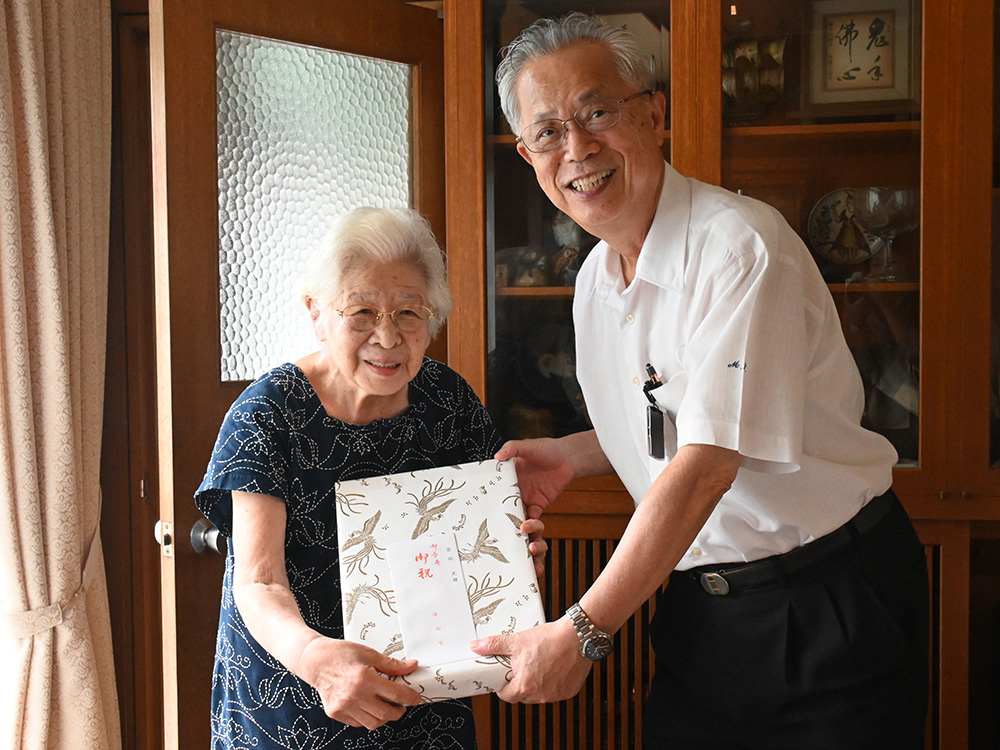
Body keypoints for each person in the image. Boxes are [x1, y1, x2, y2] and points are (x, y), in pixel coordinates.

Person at [469, 13, 929, 749]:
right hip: (697, 605)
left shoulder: (741, 248)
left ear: (653, 114)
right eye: (549, 131)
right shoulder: (592, 280)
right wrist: (576, 453)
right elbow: (675, 414)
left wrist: (582, 631)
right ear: (526, 155)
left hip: (827, 599)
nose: (577, 148)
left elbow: (710, 462)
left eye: (596, 111)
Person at [195, 206, 546, 748]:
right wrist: (315, 658)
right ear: (316, 313)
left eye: (409, 312)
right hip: (293, 704)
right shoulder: (268, 413)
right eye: (361, 311)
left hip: (425, 706)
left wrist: (512, 562)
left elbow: (483, 532)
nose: (387, 338)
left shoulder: (447, 400)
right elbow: (258, 582)